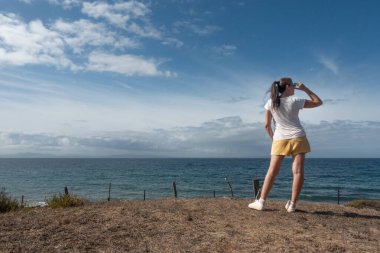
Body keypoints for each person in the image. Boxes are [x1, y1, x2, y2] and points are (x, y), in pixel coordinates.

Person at [248, 77, 323, 212]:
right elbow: (318, 102)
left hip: (280, 139)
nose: (294, 88)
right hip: (298, 137)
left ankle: (261, 202)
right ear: (288, 86)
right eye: (293, 85)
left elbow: (267, 125)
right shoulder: (296, 101)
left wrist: (274, 139)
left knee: (272, 171)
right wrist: (305, 89)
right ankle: (292, 205)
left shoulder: (271, 102)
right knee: (298, 172)